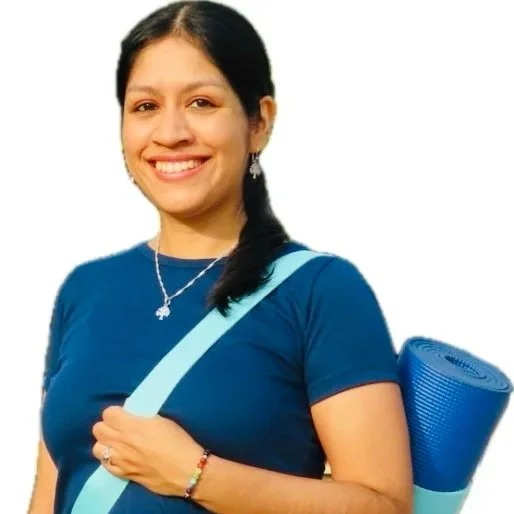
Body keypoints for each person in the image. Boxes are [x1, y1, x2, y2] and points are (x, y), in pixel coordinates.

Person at [31, 1, 413, 513]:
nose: (170, 133)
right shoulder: (85, 289)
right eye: (145, 106)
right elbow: (51, 493)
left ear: (259, 122)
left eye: (201, 103)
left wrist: (196, 474)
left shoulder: (320, 290)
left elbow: (385, 506)